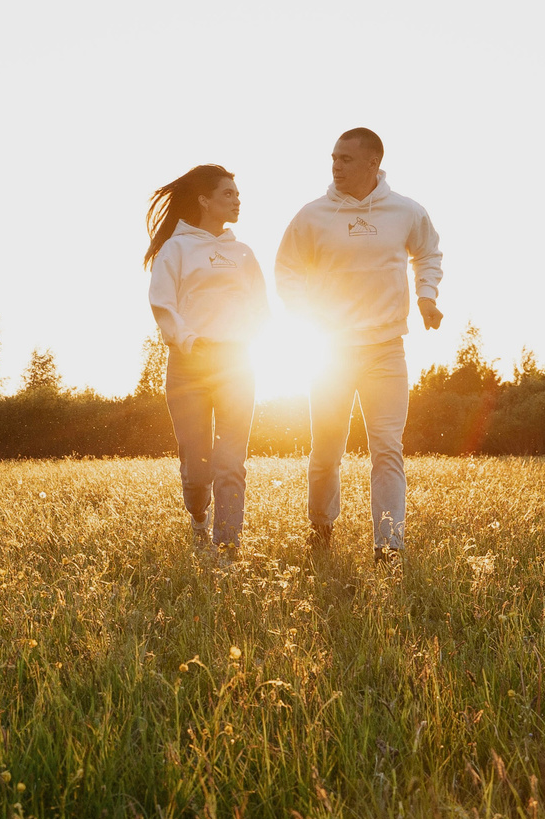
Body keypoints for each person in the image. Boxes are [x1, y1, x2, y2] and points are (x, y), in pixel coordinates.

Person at [274, 127, 442, 559]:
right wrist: (304, 315)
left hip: (386, 349)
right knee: (326, 449)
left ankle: (389, 546)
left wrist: (426, 297)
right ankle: (321, 527)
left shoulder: (405, 211)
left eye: (346, 159)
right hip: (329, 352)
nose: (336, 166)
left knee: (387, 448)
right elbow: (287, 269)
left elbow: (428, 252)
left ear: (373, 162)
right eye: (333, 157)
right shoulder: (312, 215)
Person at [145, 163, 268, 553]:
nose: (237, 201)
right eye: (227, 194)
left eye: (237, 194)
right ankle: (199, 517)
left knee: (230, 462)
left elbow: (260, 308)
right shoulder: (176, 249)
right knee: (197, 469)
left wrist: (250, 339)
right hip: (190, 366)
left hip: (236, 365)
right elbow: (162, 303)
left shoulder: (243, 253)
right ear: (204, 201)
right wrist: (188, 340)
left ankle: (228, 550)